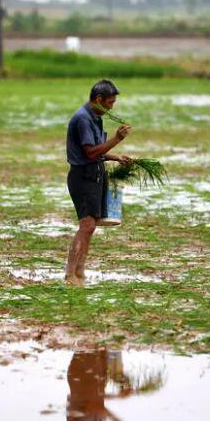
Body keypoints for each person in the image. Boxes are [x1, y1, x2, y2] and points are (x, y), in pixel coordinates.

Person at [65, 79, 132, 285]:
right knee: (86, 225)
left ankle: (80, 272)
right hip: (83, 176)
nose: (112, 106)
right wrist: (117, 139)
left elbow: (97, 152)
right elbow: (90, 152)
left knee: (91, 226)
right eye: (110, 102)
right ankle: (70, 274)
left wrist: (116, 156)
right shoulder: (83, 119)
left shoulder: (95, 117)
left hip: (94, 174)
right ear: (98, 99)